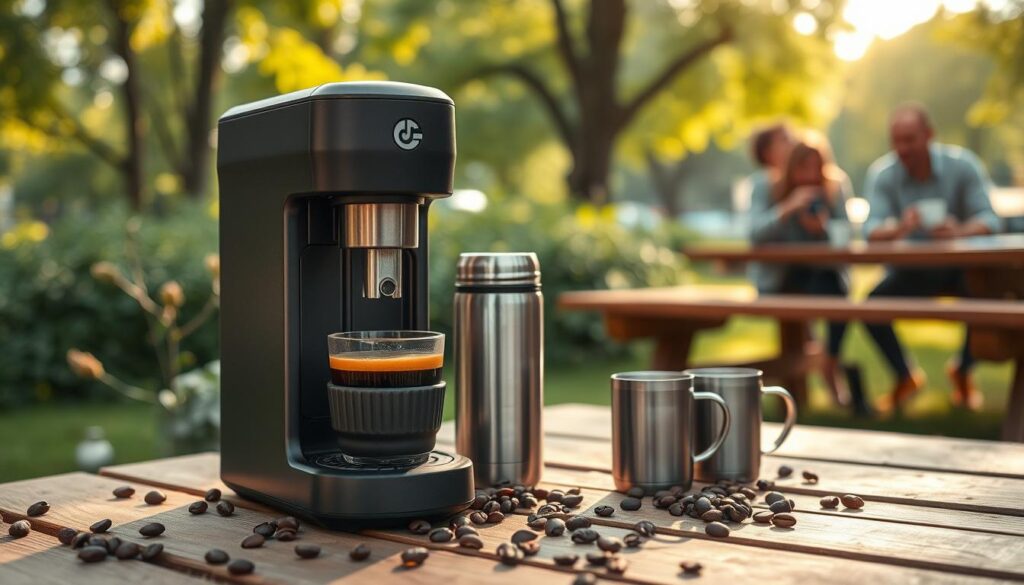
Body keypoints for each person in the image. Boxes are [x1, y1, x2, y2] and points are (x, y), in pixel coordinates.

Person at [863, 104, 1001, 413]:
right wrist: (900, 228)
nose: (902, 148)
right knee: (870, 308)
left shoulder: (962, 166)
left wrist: (960, 231)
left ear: (929, 135)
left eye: (909, 139)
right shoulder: (884, 174)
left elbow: (990, 219)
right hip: (910, 270)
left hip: (959, 267)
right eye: (896, 140)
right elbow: (870, 230)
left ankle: (963, 371)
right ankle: (905, 376)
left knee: (987, 301)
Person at [749, 131, 852, 407]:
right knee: (804, 315)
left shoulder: (835, 186)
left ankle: (829, 362)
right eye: (802, 168)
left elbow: (846, 238)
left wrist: (823, 229)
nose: (809, 177)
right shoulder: (770, 187)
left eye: (815, 169)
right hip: (782, 277)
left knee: (837, 293)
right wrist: (786, 209)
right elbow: (754, 234)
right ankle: (826, 378)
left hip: (822, 274)